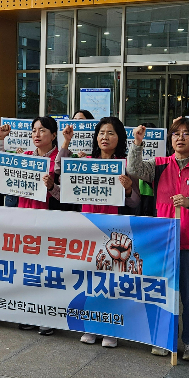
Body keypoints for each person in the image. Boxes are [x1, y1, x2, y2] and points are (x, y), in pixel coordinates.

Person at [127, 117, 189, 361]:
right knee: (163, 294)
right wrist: (137, 143)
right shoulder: (158, 165)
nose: (180, 137)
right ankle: (163, 339)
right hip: (164, 242)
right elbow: (133, 169)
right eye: (176, 133)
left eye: (186, 133)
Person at [57, 117, 141, 348]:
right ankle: (91, 325)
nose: (105, 137)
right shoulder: (85, 161)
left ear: (120, 138)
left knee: (111, 280)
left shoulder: (126, 164)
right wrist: (65, 143)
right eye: (101, 133)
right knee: (88, 279)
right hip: (86, 227)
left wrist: (128, 188)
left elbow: (134, 202)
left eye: (111, 133)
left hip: (114, 232)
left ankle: (110, 329)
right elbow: (58, 170)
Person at [0, 116, 59, 335]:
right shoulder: (24, 157)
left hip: (48, 223)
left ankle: (48, 315)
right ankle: (29, 313)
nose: (36, 134)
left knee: (47, 271)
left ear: (53, 135)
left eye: (42, 130)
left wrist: (52, 186)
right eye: (34, 130)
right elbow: (4, 169)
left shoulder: (58, 160)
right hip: (24, 221)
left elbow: (65, 197)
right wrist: (1, 140)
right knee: (28, 270)